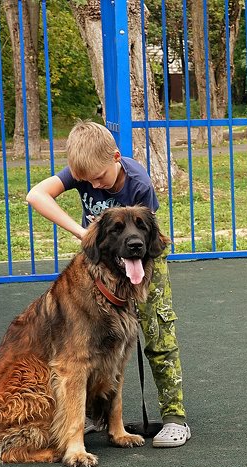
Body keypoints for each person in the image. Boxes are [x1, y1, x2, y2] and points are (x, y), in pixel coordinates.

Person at [26, 120, 191, 448]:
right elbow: (36, 195)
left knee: (157, 333)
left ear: (116, 157)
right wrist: (80, 230)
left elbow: (145, 237)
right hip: (104, 263)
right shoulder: (84, 168)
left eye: (99, 178)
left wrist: (140, 276)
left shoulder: (139, 183)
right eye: (86, 181)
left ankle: (174, 417)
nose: (93, 185)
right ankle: (86, 414)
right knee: (89, 342)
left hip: (142, 263)